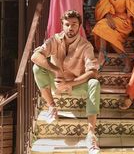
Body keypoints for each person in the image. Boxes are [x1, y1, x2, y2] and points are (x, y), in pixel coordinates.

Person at [31, 10, 100, 153]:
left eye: (74, 24)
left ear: (79, 26)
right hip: (56, 81)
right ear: (62, 26)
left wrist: (69, 83)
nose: (70, 27)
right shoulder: (54, 40)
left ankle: (91, 134)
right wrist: (55, 69)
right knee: (37, 68)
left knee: (94, 83)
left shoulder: (86, 46)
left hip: (76, 84)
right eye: (67, 24)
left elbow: (92, 71)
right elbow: (35, 55)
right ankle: (52, 106)